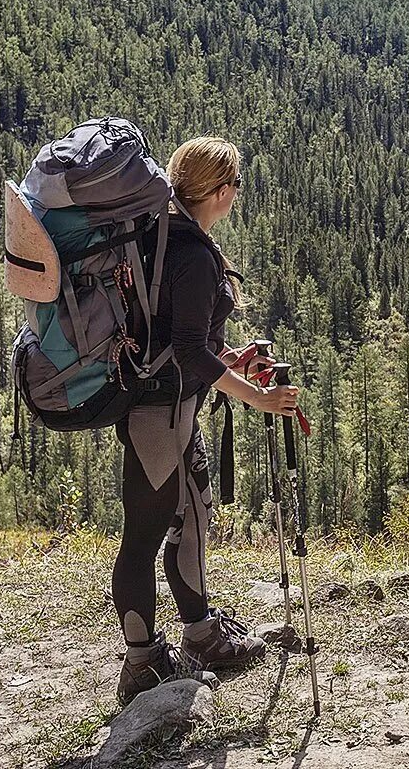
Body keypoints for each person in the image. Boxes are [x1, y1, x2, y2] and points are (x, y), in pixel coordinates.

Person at [112, 135, 300, 705]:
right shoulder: (192, 254)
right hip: (163, 414)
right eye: (235, 186)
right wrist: (256, 396)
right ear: (218, 192)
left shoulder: (162, 236)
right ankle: (158, 658)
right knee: (164, 529)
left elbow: (175, 337)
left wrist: (231, 360)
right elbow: (189, 349)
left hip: (159, 405)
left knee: (172, 523)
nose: (237, 195)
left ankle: (190, 636)